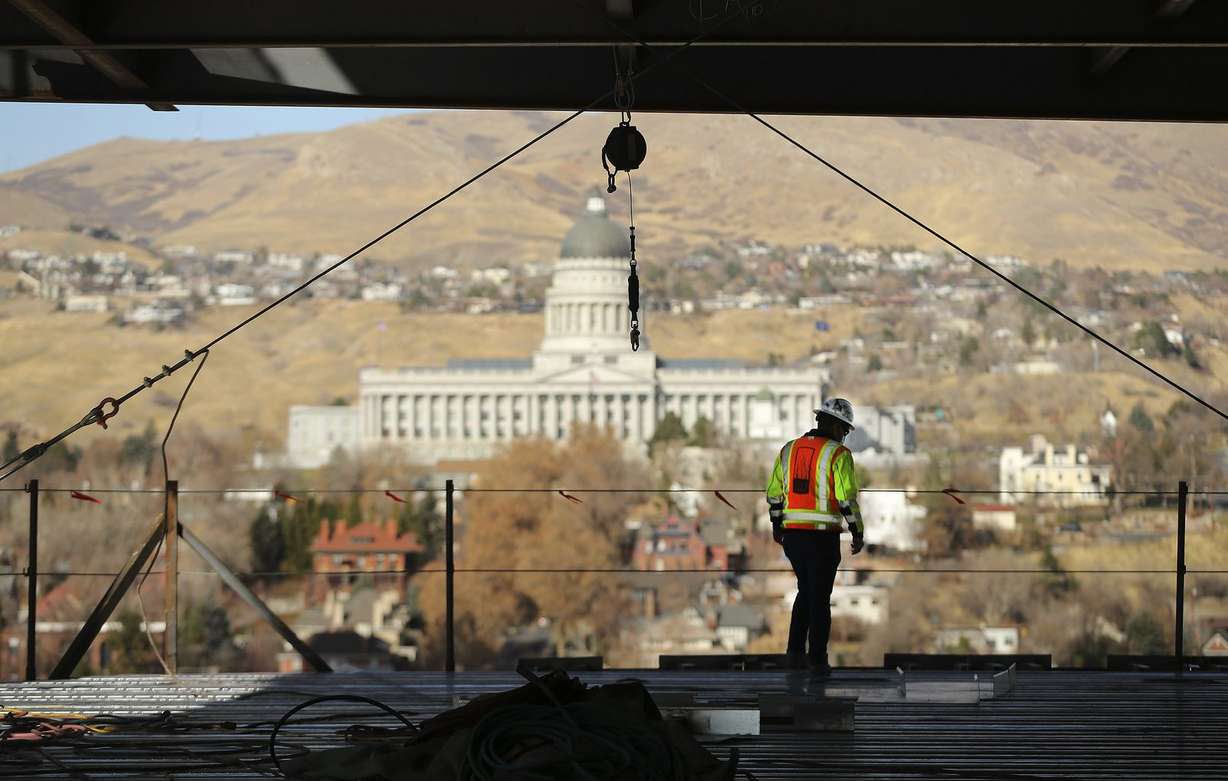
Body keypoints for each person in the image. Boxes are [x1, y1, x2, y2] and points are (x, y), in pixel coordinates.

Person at [764, 397, 864, 676]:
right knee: (820, 597)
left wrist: (777, 524)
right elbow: (846, 499)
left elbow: (773, 493)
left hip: (793, 537)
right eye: (844, 430)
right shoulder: (838, 455)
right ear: (834, 425)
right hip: (822, 538)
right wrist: (857, 531)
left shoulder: (788, 450)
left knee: (806, 591)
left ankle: (794, 655)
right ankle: (817, 660)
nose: (844, 436)